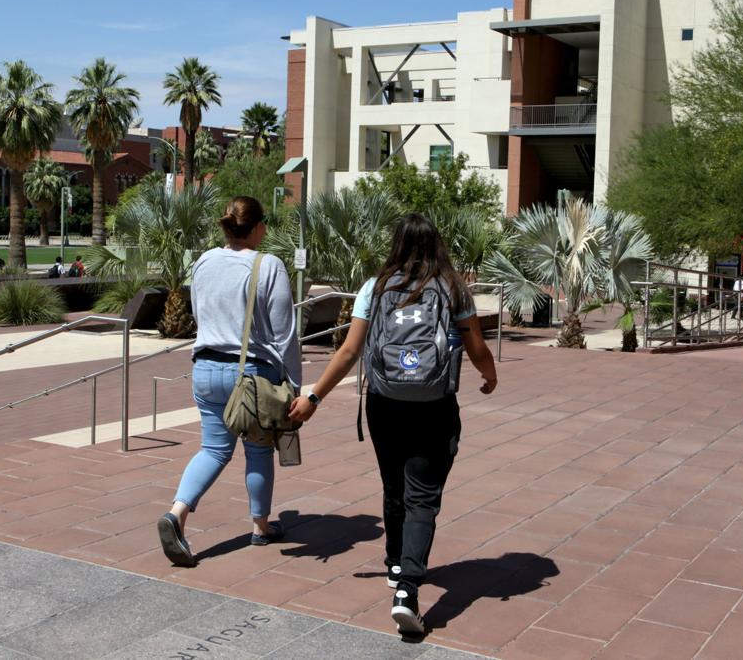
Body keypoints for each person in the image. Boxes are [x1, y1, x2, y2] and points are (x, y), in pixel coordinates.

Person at [295, 213, 498, 635]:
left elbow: (351, 351)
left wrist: (314, 397)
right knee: (422, 497)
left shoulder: (376, 286)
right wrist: (489, 375)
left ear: (398, 244)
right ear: (436, 245)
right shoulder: (454, 287)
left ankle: (393, 562)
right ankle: (407, 589)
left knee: (393, 485)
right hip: (435, 404)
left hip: (385, 403)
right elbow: (476, 345)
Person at [156, 196, 301, 567]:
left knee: (214, 449)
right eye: (263, 223)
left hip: (205, 367)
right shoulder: (267, 265)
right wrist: (295, 385)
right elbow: (284, 333)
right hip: (251, 374)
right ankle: (260, 526)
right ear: (254, 228)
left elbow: (199, 311)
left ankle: (177, 513)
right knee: (257, 450)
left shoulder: (204, 261)